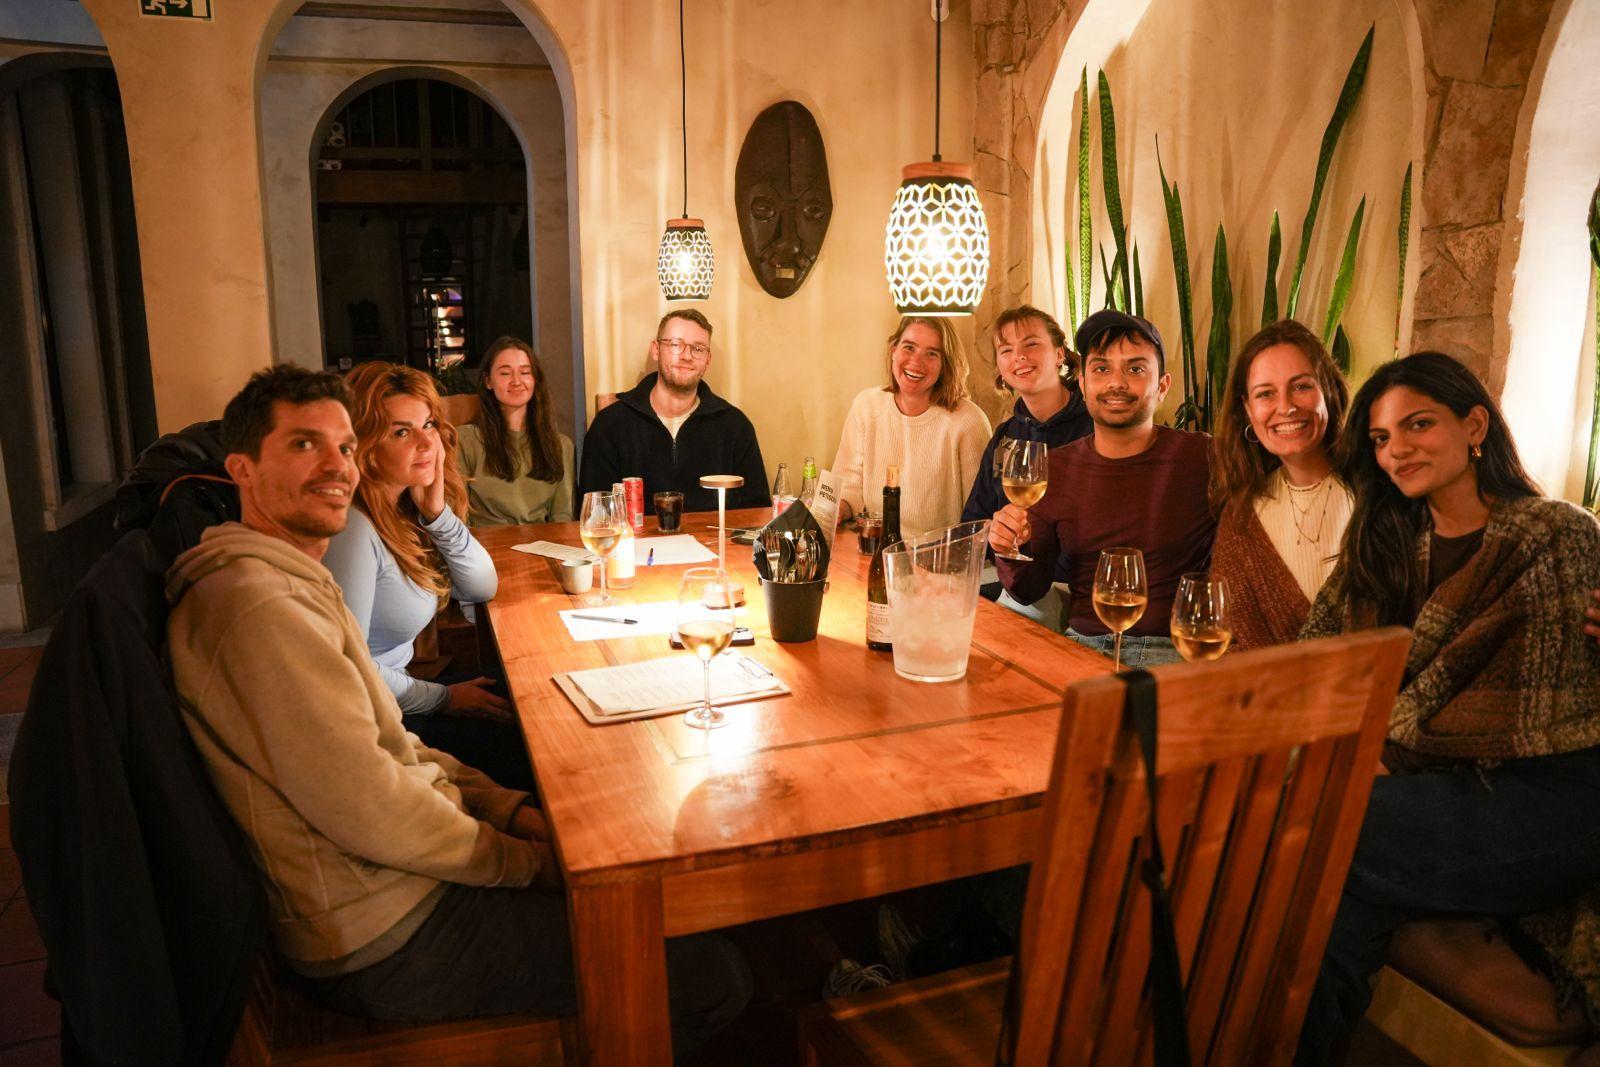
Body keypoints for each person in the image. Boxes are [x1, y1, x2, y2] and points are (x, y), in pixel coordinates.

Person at [166, 366, 750, 1053]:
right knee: (710, 972)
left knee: (625, 863)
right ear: (242, 469)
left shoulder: (291, 580)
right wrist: (525, 862)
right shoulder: (259, 607)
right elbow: (372, 806)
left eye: (344, 446)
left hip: (398, 884)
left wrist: (506, 809)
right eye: (303, 445)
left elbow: (398, 748)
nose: (336, 466)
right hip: (384, 931)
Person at [1294, 353, 1600, 1064]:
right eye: (1380, 437)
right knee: (1342, 893)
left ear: (1475, 426)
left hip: (1553, 795)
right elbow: (1315, 657)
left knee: (1323, 823)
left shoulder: (1555, 535)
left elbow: (1534, 704)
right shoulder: (1386, 541)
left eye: (1418, 425)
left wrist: (1386, 749)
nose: (1396, 450)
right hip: (1429, 785)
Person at [323, 362, 532, 792]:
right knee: (534, 743)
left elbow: (482, 586)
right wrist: (445, 698)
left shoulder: (404, 510)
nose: (426, 444)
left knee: (535, 695)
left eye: (429, 425)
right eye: (402, 432)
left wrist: (437, 513)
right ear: (363, 444)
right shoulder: (354, 529)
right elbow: (350, 668)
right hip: (382, 720)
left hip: (407, 694)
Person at [992, 309, 1213, 667]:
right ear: (1082, 384)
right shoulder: (1055, 468)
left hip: (1172, 652)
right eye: (1101, 369)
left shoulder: (1205, 458)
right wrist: (1008, 548)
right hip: (1082, 647)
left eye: (1135, 369)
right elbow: (1029, 588)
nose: (1116, 383)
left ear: (1162, 385)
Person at [1209, 320, 1352, 650]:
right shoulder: (1241, 515)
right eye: (1265, 394)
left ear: (1329, 391)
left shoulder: (1377, 493)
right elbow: (1224, 640)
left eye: (1301, 387)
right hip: (1260, 684)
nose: (1286, 407)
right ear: (1248, 410)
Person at [962, 305, 1093, 631]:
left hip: (1081, 592)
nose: (1019, 356)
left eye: (1031, 344)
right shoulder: (1006, 436)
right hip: (1020, 588)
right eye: (1006, 350)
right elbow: (973, 524)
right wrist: (1000, 534)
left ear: (1059, 354)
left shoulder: (1095, 426)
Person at [577, 308, 769, 511]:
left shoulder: (734, 426)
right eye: (676, 345)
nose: (687, 356)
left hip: (716, 533)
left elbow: (756, 511)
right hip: (635, 533)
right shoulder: (610, 425)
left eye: (698, 348)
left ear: (708, 359)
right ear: (656, 349)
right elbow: (595, 513)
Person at [832, 316, 991, 540]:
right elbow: (849, 489)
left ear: (945, 364)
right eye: (909, 347)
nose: (916, 362)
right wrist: (837, 509)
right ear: (893, 351)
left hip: (939, 556)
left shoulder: (968, 421)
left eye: (932, 354)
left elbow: (979, 519)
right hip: (876, 551)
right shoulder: (866, 406)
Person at [455, 336, 575, 526]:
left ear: (535, 380)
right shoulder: (464, 440)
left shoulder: (561, 445)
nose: (517, 381)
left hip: (543, 542)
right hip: (484, 543)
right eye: (505, 373)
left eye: (525, 372)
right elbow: (457, 519)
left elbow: (562, 518)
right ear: (488, 381)